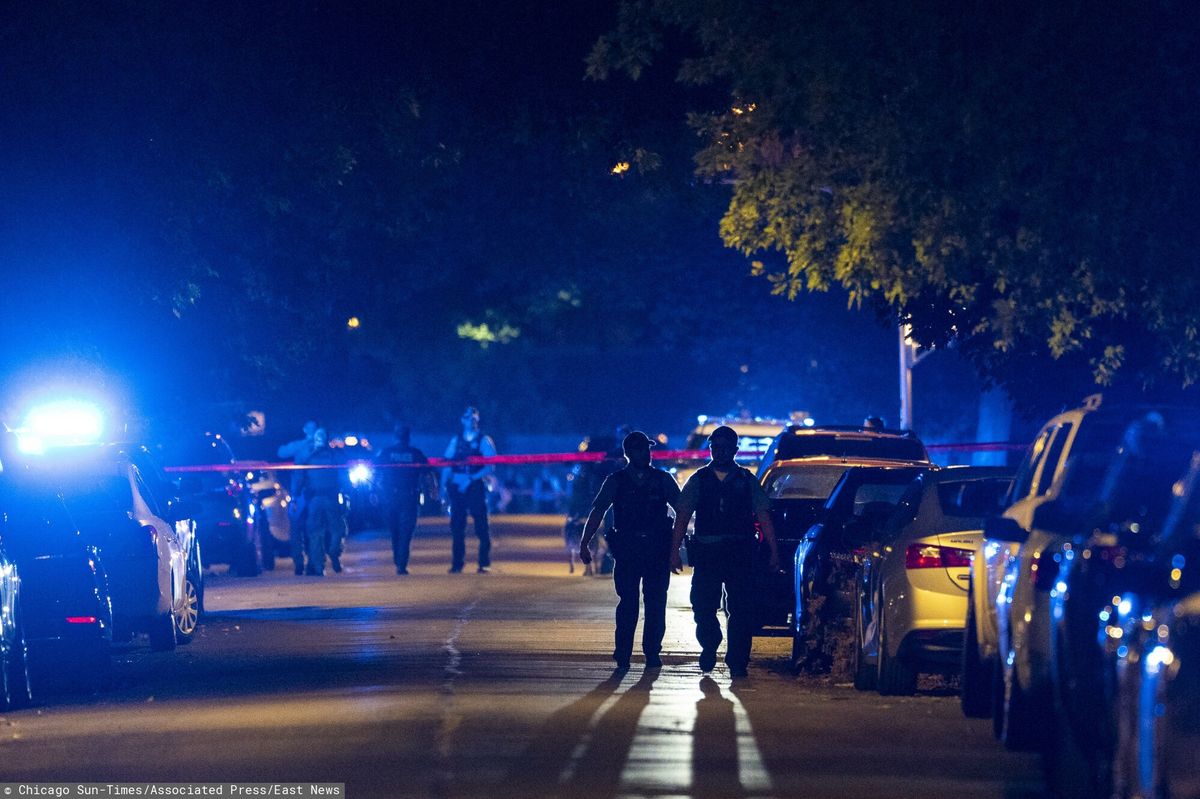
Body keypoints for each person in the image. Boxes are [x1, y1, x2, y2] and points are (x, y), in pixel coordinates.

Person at [670, 425, 780, 678]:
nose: (719, 452)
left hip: (739, 552)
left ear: (735, 450)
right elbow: (683, 516)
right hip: (708, 552)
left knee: (741, 608)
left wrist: (774, 551)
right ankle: (710, 644)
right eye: (715, 447)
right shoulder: (699, 479)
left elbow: (763, 516)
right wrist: (673, 551)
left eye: (725, 447)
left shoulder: (745, 480)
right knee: (702, 606)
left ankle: (738, 660)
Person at [580, 431, 681, 670]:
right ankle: (623, 652)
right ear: (629, 453)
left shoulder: (663, 480)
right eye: (640, 449)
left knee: (656, 603)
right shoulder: (616, 481)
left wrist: (676, 546)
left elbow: (683, 511)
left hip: (657, 549)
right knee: (628, 603)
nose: (646, 454)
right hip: (628, 551)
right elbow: (598, 512)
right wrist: (585, 542)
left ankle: (652, 652)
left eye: (647, 449)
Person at [376, 424, 437, 575]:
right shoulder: (415, 453)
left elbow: (376, 472)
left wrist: (375, 492)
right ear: (408, 437)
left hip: (391, 497)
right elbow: (428, 474)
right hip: (409, 496)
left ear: (394, 436)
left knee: (395, 530)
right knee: (406, 531)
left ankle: (399, 560)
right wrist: (432, 490)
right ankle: (401, 563)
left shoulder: (386, 453)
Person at [441, 406, 496, 574]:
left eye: (473, 418)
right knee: (457, 526)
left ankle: (484, 563)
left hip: (475, 486)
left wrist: (471, 479)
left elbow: (490, 466)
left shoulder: (484, 440)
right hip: (457, 488)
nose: (470, 420)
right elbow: (447, 464)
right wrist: (443, 488)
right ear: (462, 420)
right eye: (467, 417)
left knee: (481, 526)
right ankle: (457, 563)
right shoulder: (456, 441)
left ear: (477, 420)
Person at [298, 427, 346, 576]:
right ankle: (333, 552)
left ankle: (319, 566)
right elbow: (344, 475)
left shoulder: (307, 457)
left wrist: (295, 495)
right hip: (331, 498)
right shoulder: (334, 456)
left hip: (314, 500)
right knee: (337, 529)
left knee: (315, 533)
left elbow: (300, 478)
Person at [277, 420, 318, 575]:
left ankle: (306, 563)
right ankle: (306, 563)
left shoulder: (306, 447)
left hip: (306, 494)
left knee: (306, 530)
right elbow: (281, 452)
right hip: (305, 494)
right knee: (305, 531)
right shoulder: (311, 447)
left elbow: (281, 452)